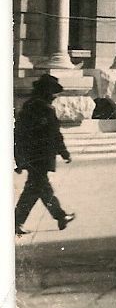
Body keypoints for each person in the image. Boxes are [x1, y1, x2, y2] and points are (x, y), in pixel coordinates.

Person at [14, 74, 76, 235]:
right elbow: (54, 134)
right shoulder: (42, 109)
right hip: (40, 157)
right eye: (54, 92)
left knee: (39, 189)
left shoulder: (30, 107)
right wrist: (64, 153)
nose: (55, 96)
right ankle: (16, 222)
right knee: (35, 189)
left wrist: (19, 158)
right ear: (47, 92)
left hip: (34, 156)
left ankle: (60, 216)